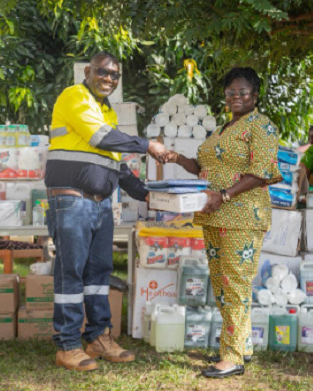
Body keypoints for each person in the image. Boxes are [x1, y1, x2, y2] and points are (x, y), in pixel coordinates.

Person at [44, 51, 168, 371]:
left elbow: (116, 166)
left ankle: (98, 336)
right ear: (88, 71)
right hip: (72, 201)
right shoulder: (75, 96)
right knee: (71, 273)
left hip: (100, 204)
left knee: (98, 275)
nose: (109, 79)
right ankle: (68, 345)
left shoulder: (106, 111)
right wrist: (148, 145)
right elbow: (101, 139)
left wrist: (148, 196)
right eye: (103, 72)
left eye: (115, 75)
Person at [166, 67, 282, 379]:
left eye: (243, 92)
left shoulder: (262, 127)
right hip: (213, 214)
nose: (236, 97)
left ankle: (231, 357)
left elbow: (262, 171)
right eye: (231, 92)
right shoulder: (221, 130)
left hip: (243, 215)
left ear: (255, 96)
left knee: (236, 285)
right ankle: (241, 345)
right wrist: (175, 157)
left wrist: (226, 195)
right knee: (222, 284)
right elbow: (201, 167)